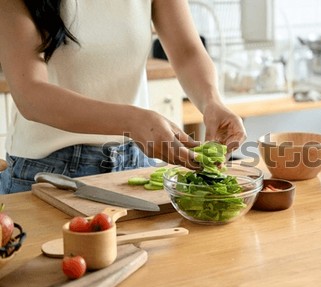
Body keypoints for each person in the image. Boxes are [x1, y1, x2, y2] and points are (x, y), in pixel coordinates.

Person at [0, 0, 246, 194]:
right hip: (49, 173)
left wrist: (212, 101)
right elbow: (30, 94)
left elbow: (187, 51)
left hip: (138, 162)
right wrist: (132, 121)